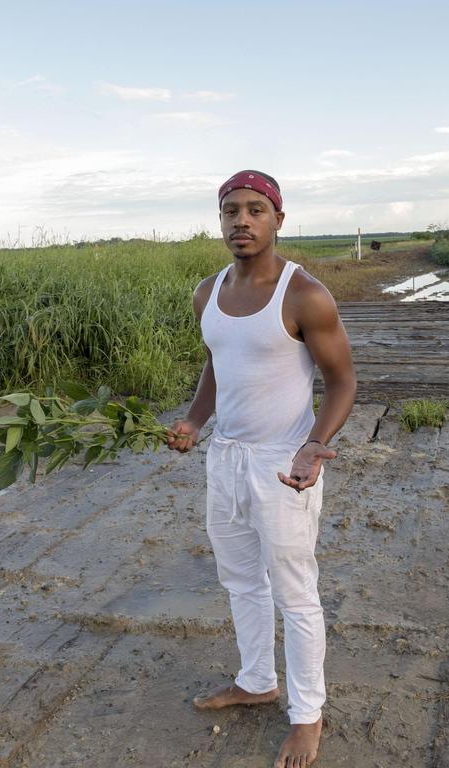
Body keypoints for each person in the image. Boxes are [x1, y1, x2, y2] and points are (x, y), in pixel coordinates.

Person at [167, 170, 356, 767]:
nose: (241, 221)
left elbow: (343, 381)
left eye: (254, 210)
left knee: (296, 595)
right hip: (226, 459)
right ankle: (256, 680)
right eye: (230, 211)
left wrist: (314, 444)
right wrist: (196, 422)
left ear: (278, 218)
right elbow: (218, 366)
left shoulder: (304, 295)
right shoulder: (208, 291)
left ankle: (307, 715)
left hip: (282, 465)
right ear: (219, 220)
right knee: (240, 580)